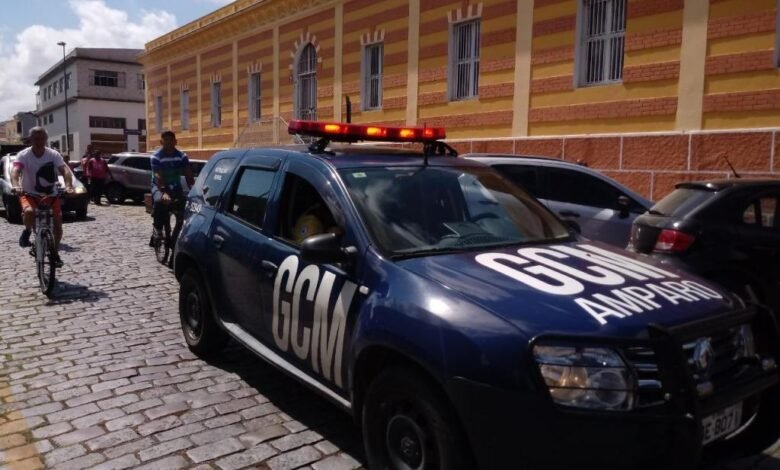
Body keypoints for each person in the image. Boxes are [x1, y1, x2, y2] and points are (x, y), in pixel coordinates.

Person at [10, 127, 75, 267]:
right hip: (29, 193)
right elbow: (15, 171)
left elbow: (65, 170)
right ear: (30, 140)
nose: (39, 142)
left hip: (51, 194)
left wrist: (69, 185)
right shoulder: (23, 155)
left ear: (46, 139)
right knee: (29, 212)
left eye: (42, 139)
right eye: (36, 139)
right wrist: (16, 185)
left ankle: (55, 252)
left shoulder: (53, 154)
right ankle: (27, 231)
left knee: (58, 225)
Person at [151, 131, 194, 263]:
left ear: (176, 141)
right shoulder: (156, 156)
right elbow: (158, 176)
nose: (168, 142)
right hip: (159, 186)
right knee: (160, 201)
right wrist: (163, 192)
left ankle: (174, 242)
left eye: (171, 140)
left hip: (176, 188)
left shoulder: (182, 156)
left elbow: (188, 175)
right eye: (166, 140)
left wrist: (194, 189)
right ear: (161, 142)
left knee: (182, 218)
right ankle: (158, 229)